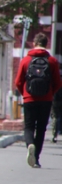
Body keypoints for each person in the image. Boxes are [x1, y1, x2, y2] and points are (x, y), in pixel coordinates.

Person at [14, 33, 62, 168]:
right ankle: (36, 159)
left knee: (29, 126)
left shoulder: (25, 60)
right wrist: (50, 93)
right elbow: (58, 83)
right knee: (41, 129)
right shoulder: (52, 61)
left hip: (29, 99)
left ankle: (30, 144)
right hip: (46, 100)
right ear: (46, 44)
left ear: (34, 44)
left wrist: (25, 94)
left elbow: (18, 82)